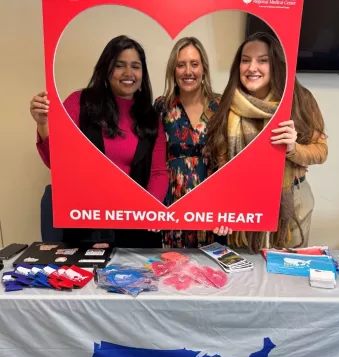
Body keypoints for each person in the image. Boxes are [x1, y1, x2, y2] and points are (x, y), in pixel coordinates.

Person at [30, 35, 168, 248]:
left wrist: (151, 209)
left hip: (134, 226)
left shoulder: (151, 118)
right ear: (107, 70)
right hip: (87, 223)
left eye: (135, 66)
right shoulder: (79, 103)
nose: (128, 73)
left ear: (143, 74)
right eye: (119, 65)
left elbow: (158, 173)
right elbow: (56, 163)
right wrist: (42, 124)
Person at [207, 32, 328, 252]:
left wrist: (293, 149)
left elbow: (321, 151)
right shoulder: (227, 103)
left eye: (263, 60)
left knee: (287, 272)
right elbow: (223, 165)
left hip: (292, 200)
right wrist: (224, 206)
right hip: (243, 200)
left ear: (276, 64)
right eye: (246, 60)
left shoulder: (300, 98)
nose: (252, 67)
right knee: (248, 272)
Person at [154, 37, 230, 248]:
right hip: (172, 202)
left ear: (203, 69)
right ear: (173, 70)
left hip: (211, 203)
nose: (188, 71)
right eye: (181, 65)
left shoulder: (220, 104)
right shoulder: (162, 106)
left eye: (194, 64)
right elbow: (155, 158)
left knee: (209, 268)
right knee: (173, 271)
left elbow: (230, 158)